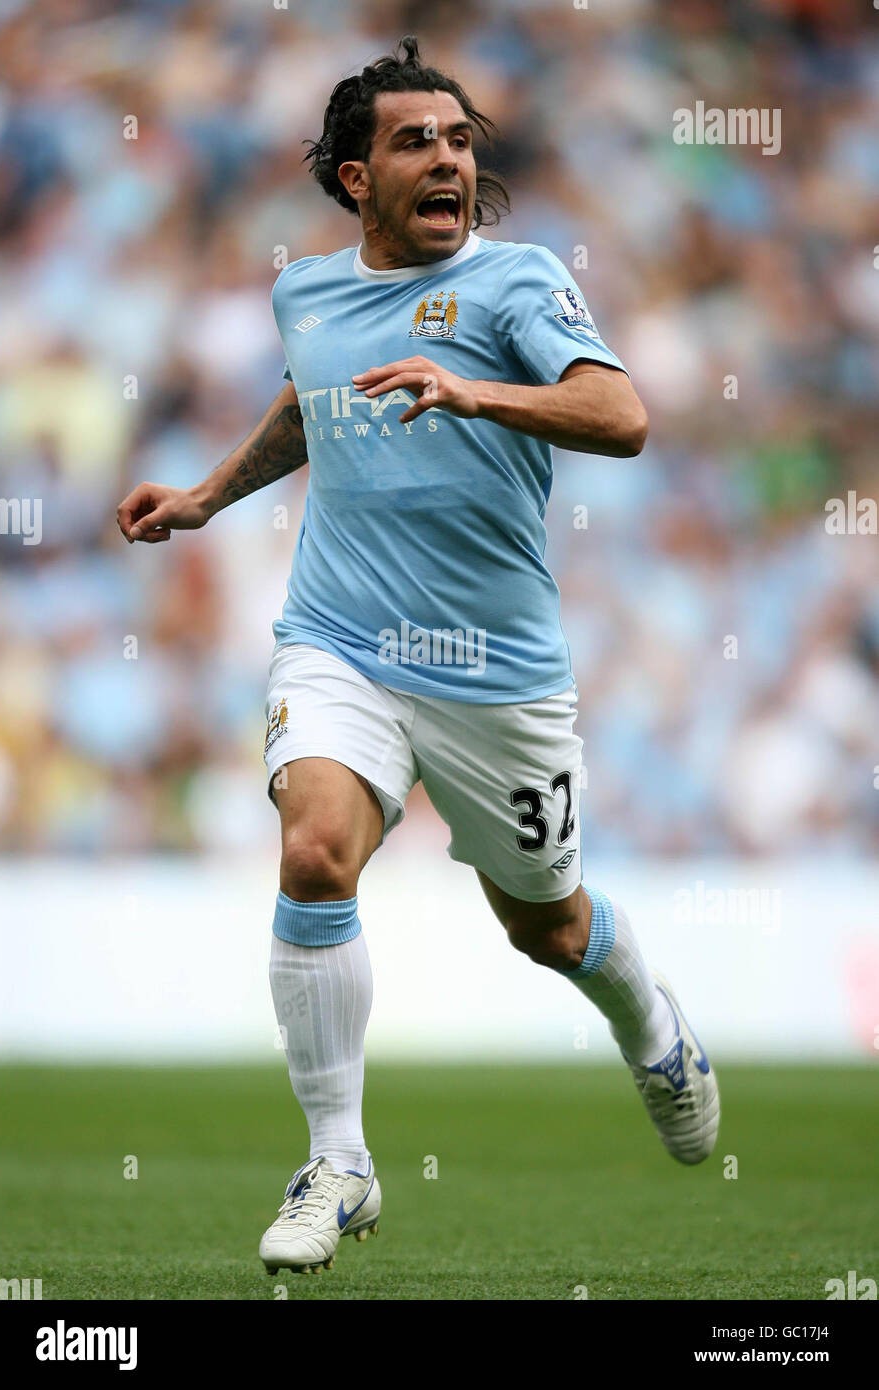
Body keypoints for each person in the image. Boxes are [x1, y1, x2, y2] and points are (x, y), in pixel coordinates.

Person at [117, 35, 719, 1278]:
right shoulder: (307, 292)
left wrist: (474, 390)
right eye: (415, 142)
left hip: (496, 674)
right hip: (339, 639)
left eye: (457, 140)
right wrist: (206, 498)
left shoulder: (517, 285)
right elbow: (308, 400)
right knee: (313, 847)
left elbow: (624, 415)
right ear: (354, 179)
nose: (448, 159)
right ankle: (338, 1159)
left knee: (545, 927)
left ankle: (653, 1027)